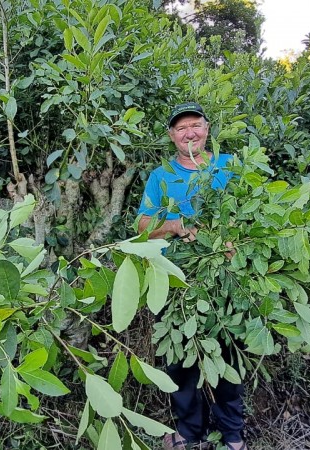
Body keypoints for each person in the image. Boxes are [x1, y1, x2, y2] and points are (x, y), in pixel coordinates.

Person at [137, 102, 246, 450]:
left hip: (225, 279)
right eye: (181, 128)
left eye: (195, 125)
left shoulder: (230, 166)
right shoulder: (161, 175)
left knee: (228, 354)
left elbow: (256, 212)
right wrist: (172, 225)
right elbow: (142, 226)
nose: (189, 134)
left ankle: (233, 434)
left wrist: (235, 239)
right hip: (178, 284)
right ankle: (189, 431)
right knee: (181, 363)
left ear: (208, 128)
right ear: (172, 136)